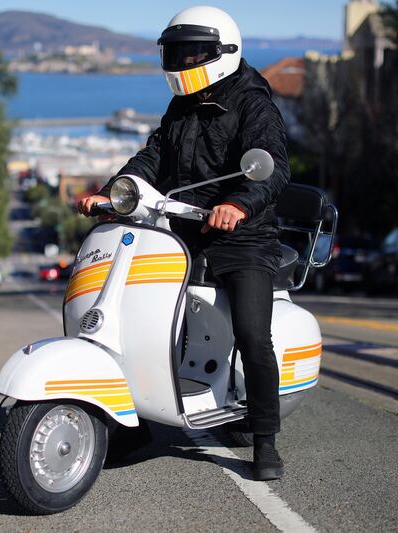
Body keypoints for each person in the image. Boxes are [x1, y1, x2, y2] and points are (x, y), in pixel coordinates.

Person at [77, 5, 290, 481]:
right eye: (176, 53)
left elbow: (274, 166)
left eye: (194, 52)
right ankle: (133, 425)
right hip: (184, 232)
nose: (184, 62)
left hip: (244, 238)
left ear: (223, 52)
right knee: (144, 316)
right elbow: (153, 156)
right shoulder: (182, 105)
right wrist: (115, 191)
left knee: (254, 337)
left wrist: (239, 204)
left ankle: (265, 438)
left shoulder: (253, 102)